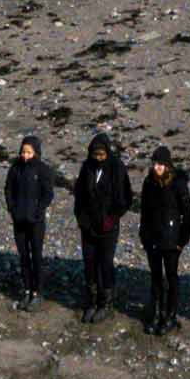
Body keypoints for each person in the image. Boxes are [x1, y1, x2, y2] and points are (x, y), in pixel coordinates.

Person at [135, 148, 190, 334]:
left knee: (171, 277)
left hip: (172, 239)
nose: (157, 167)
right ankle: (156, 313)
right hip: (152, 238)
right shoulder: (149, 182)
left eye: (160, 164)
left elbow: (188, 213)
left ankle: (170, 315)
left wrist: (182, 240)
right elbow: (144, 211)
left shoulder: (178, 183)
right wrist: (143, 235)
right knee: (155, 277)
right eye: (154, 164)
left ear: (168, 165)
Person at [72, 133, 131, 321]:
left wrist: (111, 219)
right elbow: (79, 195)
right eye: (95, 155)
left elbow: (125, 198)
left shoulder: (117, 168)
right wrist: (81, 219)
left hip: (108, 226)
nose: (98, 159)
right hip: (88, 225)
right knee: (89, 263)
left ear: (107, 153)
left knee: (105, 263)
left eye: (101, 155)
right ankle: (91, 301)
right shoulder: (86, 167)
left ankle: (105, 303)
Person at [2, 132, 55, 303]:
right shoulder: (15, 168)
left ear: (36, 153)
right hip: (19, 220)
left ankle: (37, 291)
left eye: (29, 153)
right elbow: (8, 189)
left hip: (36, 222)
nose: (25, 156)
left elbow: (48, 194)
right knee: (23, 256)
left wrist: (38, 212)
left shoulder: (43, 170)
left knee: (37, 256)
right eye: (23, 152)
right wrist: (12, 209)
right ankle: (26, 289)